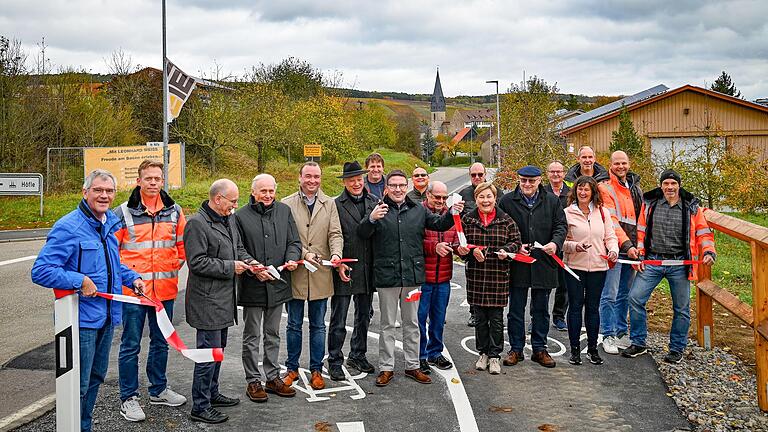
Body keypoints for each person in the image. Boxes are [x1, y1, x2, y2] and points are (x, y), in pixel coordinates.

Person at [31, 169, 144, 432]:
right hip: (80, 323)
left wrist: (132, 278)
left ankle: (83, 425)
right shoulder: (69, 226)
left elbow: (110, 266)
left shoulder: (108, 224)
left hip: (107, 318)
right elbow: (41, 271)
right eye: (98, 190)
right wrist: (78, 280)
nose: (104, 196)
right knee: (78, 383)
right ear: (85, 192)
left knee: (95, 378)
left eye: (109, 191)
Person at [358, 170, 463, 387]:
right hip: (387, 276)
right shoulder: (377, 209)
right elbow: (362, 233)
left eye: (401, 185)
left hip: (413, 276)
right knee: (387, 325)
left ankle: (412, 365)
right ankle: (386, 368)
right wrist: (370, 219)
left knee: (412, 323)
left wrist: (452, 212)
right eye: (393, 185)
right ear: (386, 188)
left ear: (406, 187)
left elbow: (439, 224)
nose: (397, 189)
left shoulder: (417, 210)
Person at [114, 160, 187, 422]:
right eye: (148, 179)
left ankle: (158, 390)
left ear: (162, 181)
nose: (153, 183)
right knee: (130, 344)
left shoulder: (175, 211)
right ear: (139, 181)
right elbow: (113, 252)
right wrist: (134, 278)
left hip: (165, 292)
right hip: (133, 293)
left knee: (161, 342)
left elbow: (182, 247)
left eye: (157, 178)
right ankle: (128, 398)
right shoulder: (123, 213)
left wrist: (168, 268)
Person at [622, 170, 716, 364]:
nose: (670, 187)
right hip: (653, 261)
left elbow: (704, 233)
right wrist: (640, 253)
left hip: (680, 264)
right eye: (666, 184)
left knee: (681, 308)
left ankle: (676, 348)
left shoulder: (691, 207)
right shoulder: (651, 204)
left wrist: (708, 252)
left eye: (673, 183)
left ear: (679, 185)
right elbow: (641, 231)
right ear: (661, 185)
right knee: (635, 298)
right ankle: (638, 342)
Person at [185, 179, 255, 424]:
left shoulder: (229, 219)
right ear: (217, 199)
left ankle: (212, 393)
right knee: (207, 354)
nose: (235, 206)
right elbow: (196, 262)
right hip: (206, 303)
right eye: (232, 201)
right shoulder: (196, 224)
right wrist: (230, 267)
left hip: (224, 300)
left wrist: (251, 264)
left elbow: (238, 248)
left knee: (218, 352)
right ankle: (200, 406)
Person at [235, 174, 301, 402]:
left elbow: (294, 242)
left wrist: (292, 258)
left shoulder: (284, 211)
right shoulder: (241, 216)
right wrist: (254, 267)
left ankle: (272, 377)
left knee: (273, 333)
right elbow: (238, 248)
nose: (268, 195)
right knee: (252, 335)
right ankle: (253, 380)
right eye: (263, 191)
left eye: (271, 191)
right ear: (253, 192)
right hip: (253, 285)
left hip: (277, 283)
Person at [282, 162, 344, 390]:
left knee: (318, 325)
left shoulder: (330, 204)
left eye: (316, 176)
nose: (312, 180)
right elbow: (286, 238)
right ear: (299, 178)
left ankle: (317, 369)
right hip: (296, 273)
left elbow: (335, 233)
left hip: (321, 273)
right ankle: (292, 368)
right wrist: (304, 253)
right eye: (308, 176)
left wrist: (336, 253)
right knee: (294, 324)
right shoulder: (286, 204)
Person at [498, 165, 567, 368]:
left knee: (541, 309)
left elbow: (561, 226)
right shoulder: (507, 201)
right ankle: (516, 349)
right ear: (518, 180)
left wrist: (555, 243)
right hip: (517, 264)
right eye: (523, 180)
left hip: (544, 263)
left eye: (532, 181)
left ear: (539, 181)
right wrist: (514, 247)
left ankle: (539, 348)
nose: (527, 184)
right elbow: (500, 228)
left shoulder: (552, 201)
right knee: (516, 309)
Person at [457, 182, 521, 375]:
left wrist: (506, 251)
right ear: (476, 199)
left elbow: (516, 242)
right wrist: (469, 252)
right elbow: (461, 245)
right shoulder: (467, 220)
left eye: (489, 197)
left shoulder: (506, 220)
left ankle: (494, 356)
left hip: (497, 276)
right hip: (477, 277)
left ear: (495, 198)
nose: (485, 200)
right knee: (479, 319)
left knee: (496, 319)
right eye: (481, 197)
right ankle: (482, 353)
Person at [328, 161, 378, 380]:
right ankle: (335, 360)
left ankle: (358, 354)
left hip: (367, 267)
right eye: (352, 180)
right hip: (345, 267)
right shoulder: (335, 205)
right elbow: (331, 235)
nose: (357, 183)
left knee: (364, 316)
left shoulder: (374, 202)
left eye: (359, 179)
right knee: (339, 318)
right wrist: (337, 262)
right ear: (345, 182)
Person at [562, 176, 619, 366]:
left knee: (593, 308)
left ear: (593, 192)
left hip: (598, 267)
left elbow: (610, 237)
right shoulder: (567, 213)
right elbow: (561, 242)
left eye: (587, 190)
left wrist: (613, 250)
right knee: (576, 307)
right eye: (580, 189)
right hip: (574, 267)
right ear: (575, 192)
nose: (583, 193)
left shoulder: (603, 213)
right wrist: (575, 246)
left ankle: (593, 349)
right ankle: (575, 350)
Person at [598, 151, 643, 355]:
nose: (621, 166)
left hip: (632, 248)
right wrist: (626, 246)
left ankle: (621, 331)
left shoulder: (634, 187)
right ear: (611, 165)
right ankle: (607, 334)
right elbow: (612, 221)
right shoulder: (605, 187)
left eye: (624, 163)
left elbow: (640, 220)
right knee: (610, 293)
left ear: (629, 163)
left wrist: (639, 246)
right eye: (617, 163)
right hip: (616, 248)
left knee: (625, 293)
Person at [418, 181, 459, 374]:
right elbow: (412, 242)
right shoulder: (418, 214)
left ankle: (435, 352)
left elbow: (458, 241)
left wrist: (461, 249)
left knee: (438, 318)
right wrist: (433, 247)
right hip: (422, 278)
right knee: (418, 318)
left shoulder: (452, 217)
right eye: (437, 197)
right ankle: (420, 356)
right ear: (428, 195)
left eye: (444, 197)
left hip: (443, 277)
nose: (441, 201)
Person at [458, 162, 488, 327]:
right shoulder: (463, 194)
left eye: (480, 174)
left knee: (494, 281)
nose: (477, 177)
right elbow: (456, 221)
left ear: (485, 175)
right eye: (473, 175)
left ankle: (494, 313)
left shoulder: (496, 192)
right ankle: (474, 313)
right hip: (471, 246)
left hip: (492, 246)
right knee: (473, 281)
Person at [544, 161, 571, 332]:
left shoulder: (571, 194)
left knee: (564, 284)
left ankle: (559, 316)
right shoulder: (542, 192)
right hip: (545, 245)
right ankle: (538, 317)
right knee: (543, 284)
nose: (555, 175)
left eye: (558, 172)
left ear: (563, 173)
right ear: (547, 174)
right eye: (552, 172)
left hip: (565, 244)